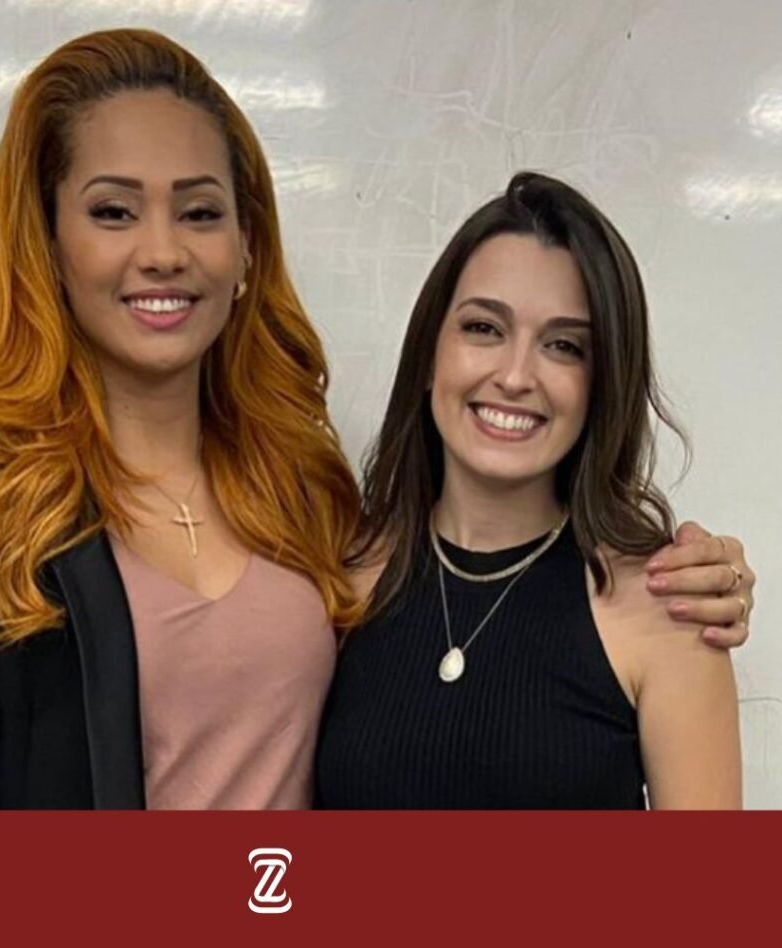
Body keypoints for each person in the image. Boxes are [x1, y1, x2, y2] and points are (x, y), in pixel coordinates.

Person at [0, 30, 753, 809]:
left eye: (200, 211)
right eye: (113, 211)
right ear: (47, 241)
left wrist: (695, 574)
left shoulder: (302, 495)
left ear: (245, 248)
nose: (163, 251)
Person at [315, 172, 745, 809]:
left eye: (564, 346)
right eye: (484, 328)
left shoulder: (670, 611)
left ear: (603, 385)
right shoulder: (338, 579)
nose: (516, 376)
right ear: (430, 353)